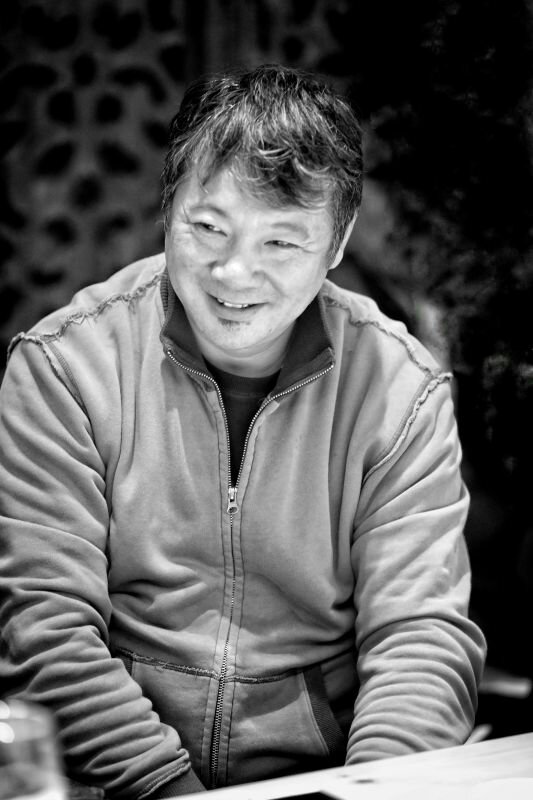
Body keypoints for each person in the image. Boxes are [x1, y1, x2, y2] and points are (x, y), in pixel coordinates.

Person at [0, 64, 485, 798]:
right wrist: (165, 788)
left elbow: (419, 639)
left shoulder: (400, 391)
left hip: (323, 784)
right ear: (167, 208)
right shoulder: (64, 367)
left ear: (338, 242)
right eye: (206, 228)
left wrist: (375, 791)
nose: (233, 274)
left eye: (281, 243)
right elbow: (45, 629)